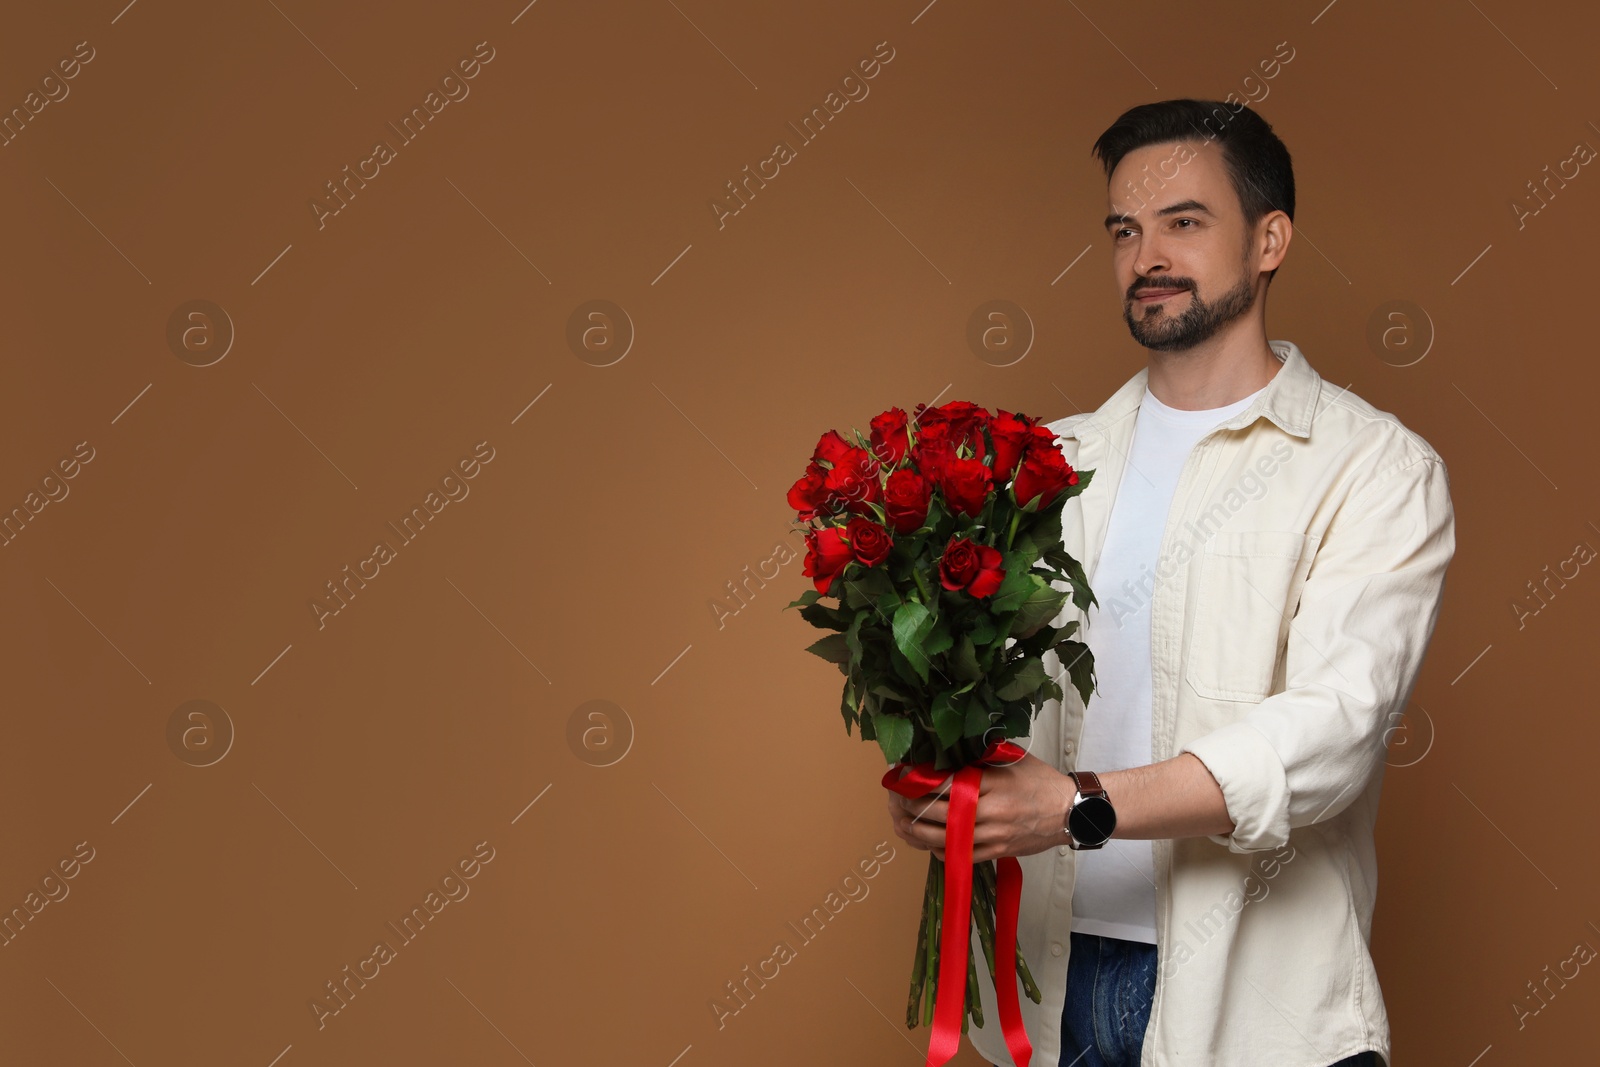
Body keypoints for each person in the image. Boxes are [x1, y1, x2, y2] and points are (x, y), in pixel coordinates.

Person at [886, 98, 1455, 1067]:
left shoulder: (1372, 467)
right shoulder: (1046, 462)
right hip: (1044, 988)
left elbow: (1331, 730)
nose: (1146, 254)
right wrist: (940, 781)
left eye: (1183, 222)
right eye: (1123, 229)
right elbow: (989, 690)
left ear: (1269, 238)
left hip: (1257, 1011)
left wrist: (1077, 803)